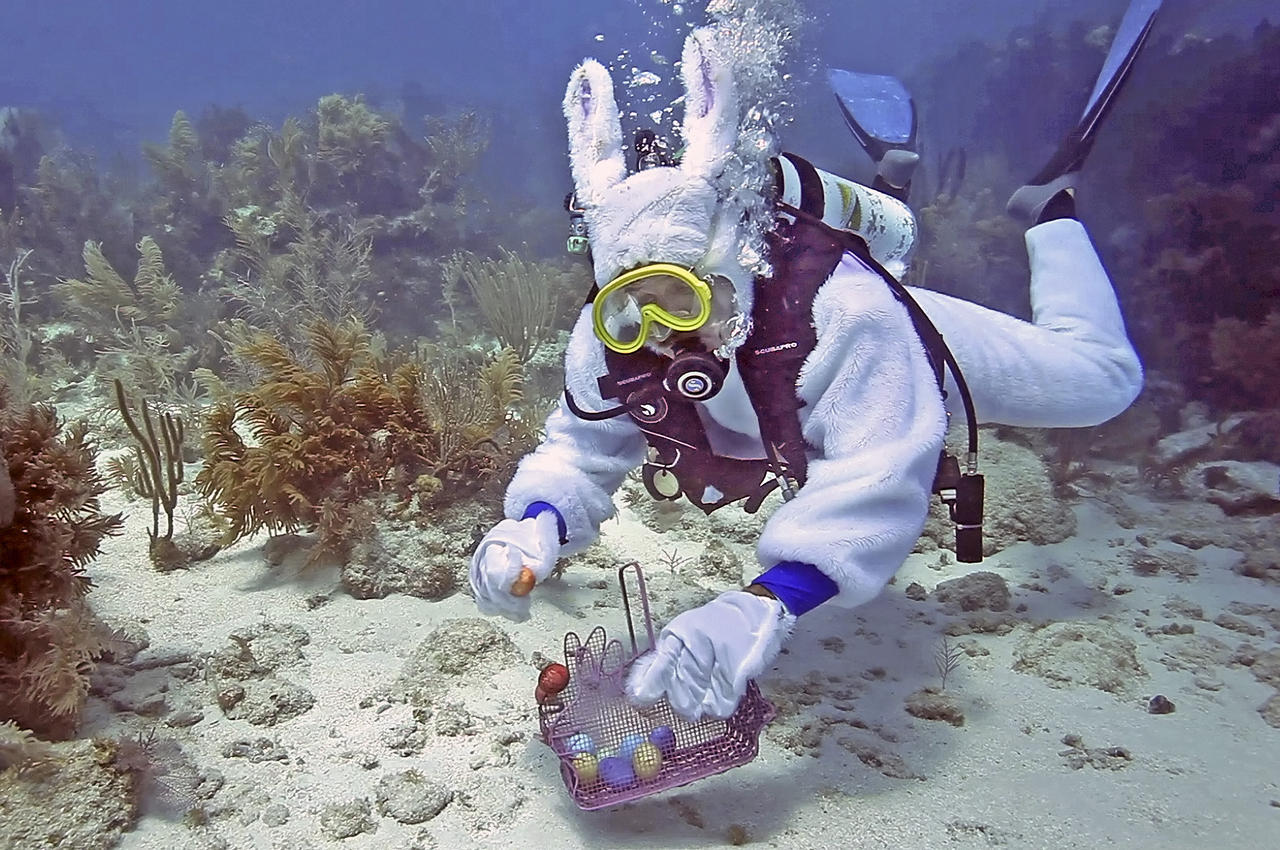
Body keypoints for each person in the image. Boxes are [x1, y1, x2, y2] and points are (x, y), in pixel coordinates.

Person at [468, 27, 1143, 723]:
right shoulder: (609, 337)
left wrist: (768, 602)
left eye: (679, 298)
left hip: (908, 344)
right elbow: (580, 448)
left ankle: (1050, 210)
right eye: (629, 309)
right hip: (803, 366)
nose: (658, 338)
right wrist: (536, 524)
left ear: (727, 272)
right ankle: (892, 177)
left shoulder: (850, 316)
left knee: (1104, 382)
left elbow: (877, 477)